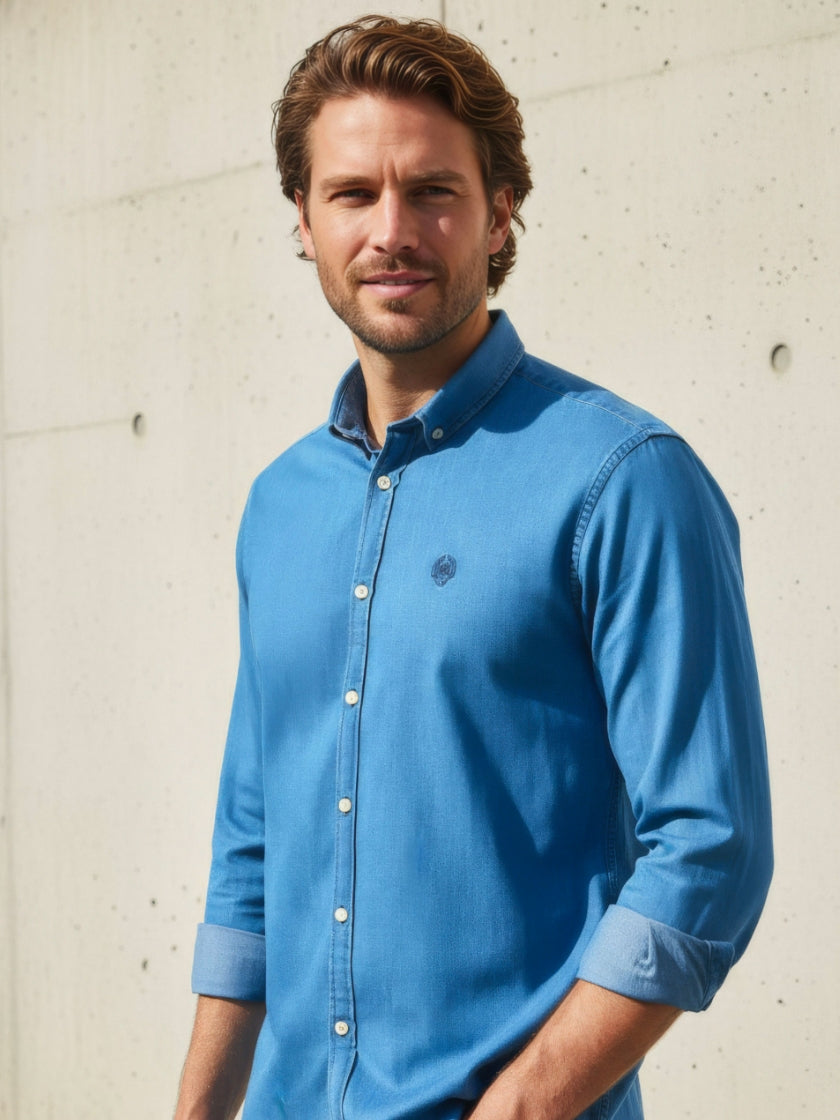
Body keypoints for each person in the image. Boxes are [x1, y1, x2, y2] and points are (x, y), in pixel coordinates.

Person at [174, 15, 773, 1120]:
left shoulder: (624, 478)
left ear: (500, 213)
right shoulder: (278, 507)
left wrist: (521, 1108)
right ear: (303, 220)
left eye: (433, 192)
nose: (391, 231)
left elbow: (710, 849)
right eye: (353, 193)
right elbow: (251, 856)